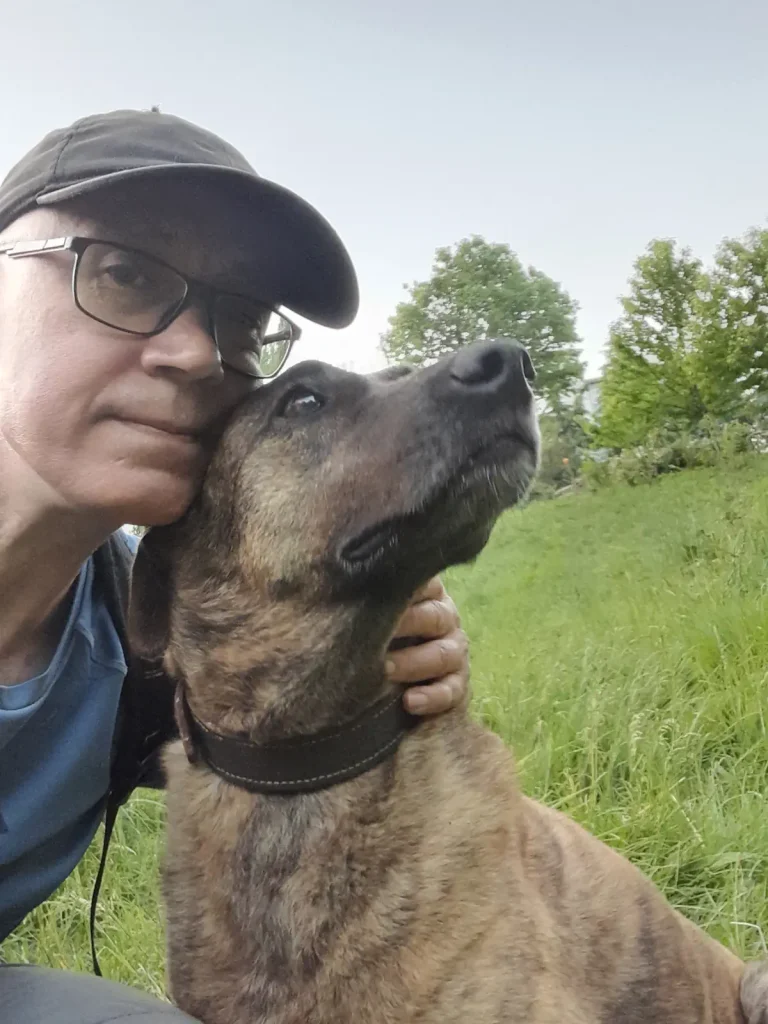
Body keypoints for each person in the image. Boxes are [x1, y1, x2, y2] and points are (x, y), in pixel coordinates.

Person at [0, 109, 470, 1023]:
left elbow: (303, 785)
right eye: (126, 274)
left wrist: (382, 656)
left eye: (244, 320)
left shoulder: (144, 653)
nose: (197, 353)